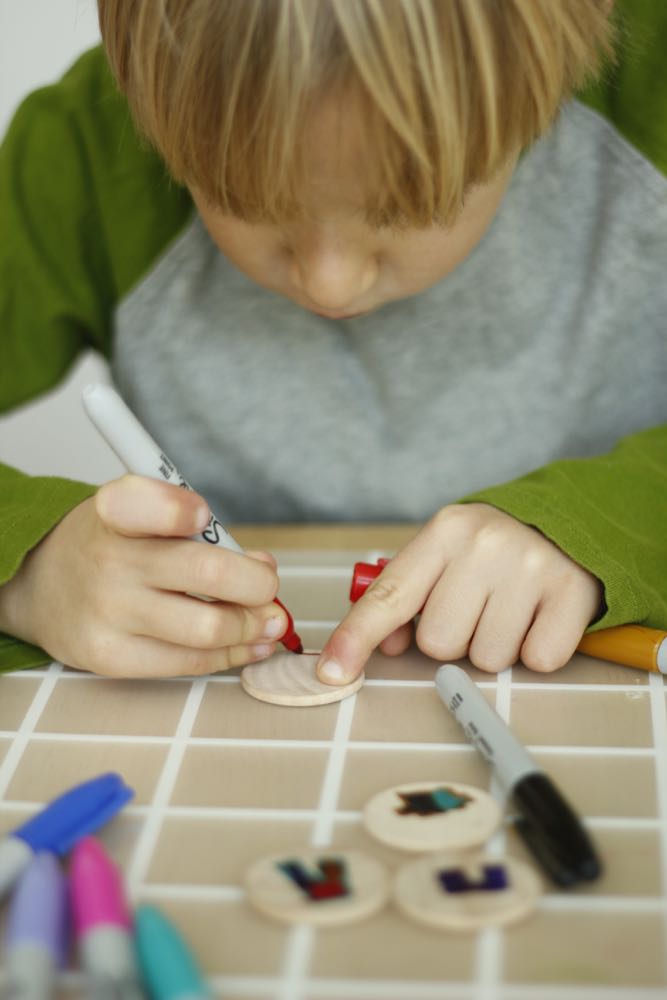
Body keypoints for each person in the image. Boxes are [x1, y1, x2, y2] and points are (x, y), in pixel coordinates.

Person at [0, 0, 665, 682]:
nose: (330, 287)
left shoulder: (649, 89)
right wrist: (29, 569)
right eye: (243, 198)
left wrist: (602, 531)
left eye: (404, 206)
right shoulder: (85, 144)